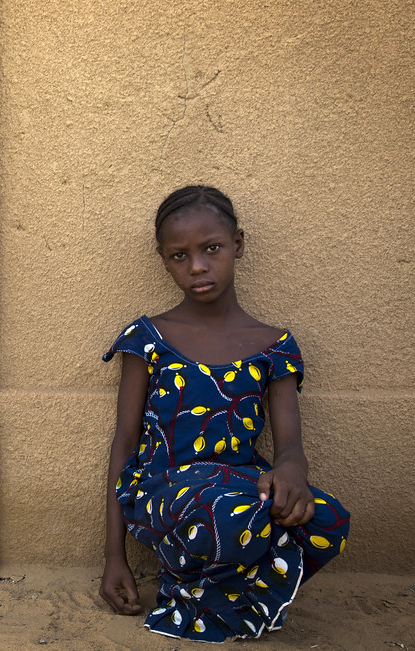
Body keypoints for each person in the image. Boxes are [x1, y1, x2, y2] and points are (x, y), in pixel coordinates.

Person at [98, 185, 350, 642]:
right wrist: (113, 556)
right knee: (228, 514)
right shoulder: (148, 338)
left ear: (237, 244)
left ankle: (220, 593)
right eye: (178, 256)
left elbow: (289, 444)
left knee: (325, 518)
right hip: (164, 487)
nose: (196, 266)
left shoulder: (274, 346)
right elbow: (124, 442)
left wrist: (292, 469)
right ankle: (193, 593)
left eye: (211, 248)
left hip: (236, 485)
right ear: (163, 259)